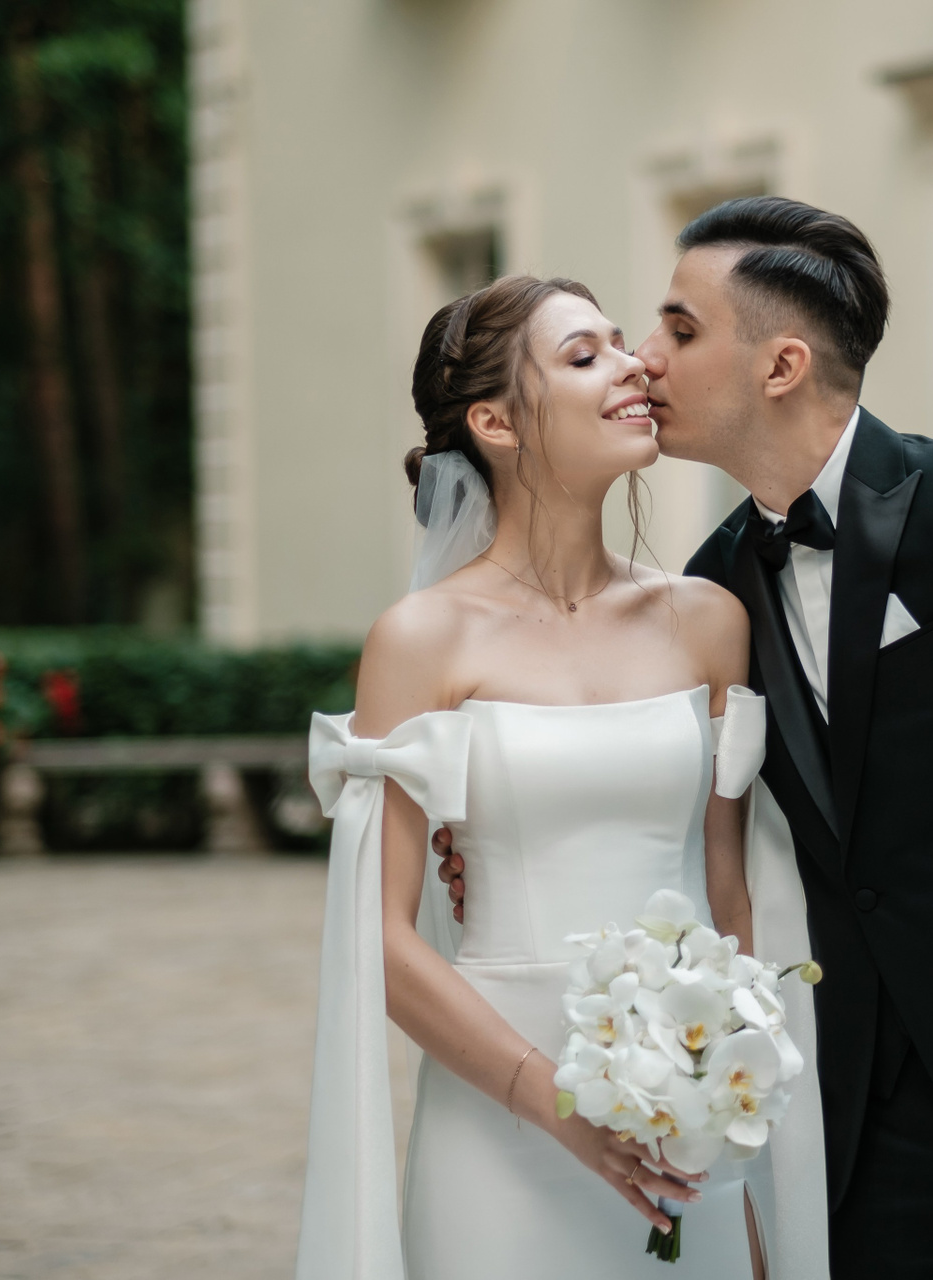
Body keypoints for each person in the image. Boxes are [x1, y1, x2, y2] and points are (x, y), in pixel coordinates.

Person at [441, 197, 933, 1278]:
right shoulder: (718, 587)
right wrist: (476, 833)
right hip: (872, 1131)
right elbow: (666, 797)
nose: (645, 358)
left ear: (781, 365)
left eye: (680, 328)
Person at [294, 273, 829, 1280]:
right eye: (585, 356)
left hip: (682, 1136)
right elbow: (381, 938)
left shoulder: (708, 621)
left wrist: (743, 1168)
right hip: (497, 1128)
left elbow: (731, 902)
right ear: (496, 422)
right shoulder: (421, 640)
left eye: (624, 345)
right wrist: (558, 1104)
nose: (633, 367)